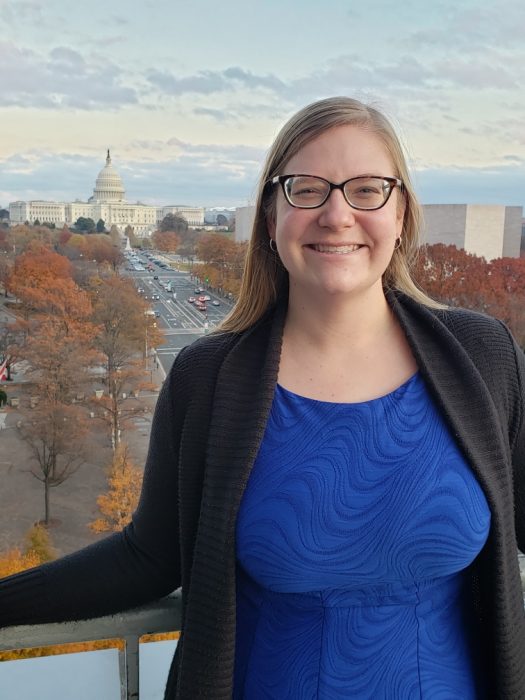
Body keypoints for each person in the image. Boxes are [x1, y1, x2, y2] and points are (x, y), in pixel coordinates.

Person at [1, 96, 525, 699]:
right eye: (307, 188)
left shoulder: (482, 358)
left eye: (368, 189)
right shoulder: (209, 379)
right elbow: (147, 558)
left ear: (402, 212)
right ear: (271, 214)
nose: (337, 214)